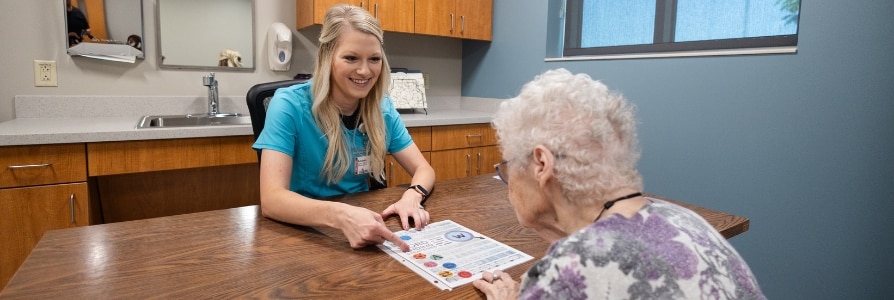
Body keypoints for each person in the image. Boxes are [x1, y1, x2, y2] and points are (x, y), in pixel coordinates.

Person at [473, 69, 765, 299]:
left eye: (509, 166)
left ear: (541, 164)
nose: (509, 182)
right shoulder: (687, 221)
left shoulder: (568, 272)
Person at [252, 4, 435, 253]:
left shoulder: (382, 108)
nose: (364, 71)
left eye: (374, 59)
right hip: (304, 232)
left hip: (363, 225)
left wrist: (412, 196)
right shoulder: (288, 105)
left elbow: (423, 169)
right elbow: (272, 200)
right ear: (327, 56)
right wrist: (341, 216)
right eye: (351, 58)